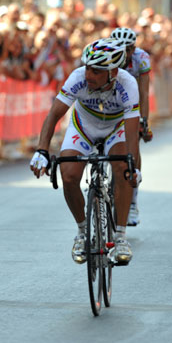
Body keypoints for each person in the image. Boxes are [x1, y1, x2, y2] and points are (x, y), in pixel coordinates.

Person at [30, 38, 140, 265]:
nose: (89, 74)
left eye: (97, 71)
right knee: (68, 174)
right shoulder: (78, 78)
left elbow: (131, 135)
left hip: (115, 129)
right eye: (88, 67)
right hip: (83, 127)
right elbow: (53, 116)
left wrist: (133, 167)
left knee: (122, 168)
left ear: (113, 72)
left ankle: (120, 237)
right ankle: (81, 232)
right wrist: (41, 150)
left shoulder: (127, 85)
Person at [110, 27, 152, 226]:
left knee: (133, 142)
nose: (123, 53)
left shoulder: (142, 58)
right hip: (109, 104)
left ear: (134, 49)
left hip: (130, 103)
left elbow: (143, 92)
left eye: (127, 49)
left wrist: (144, 120)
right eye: (119, 48)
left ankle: (133, 201)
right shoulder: (104, 53)